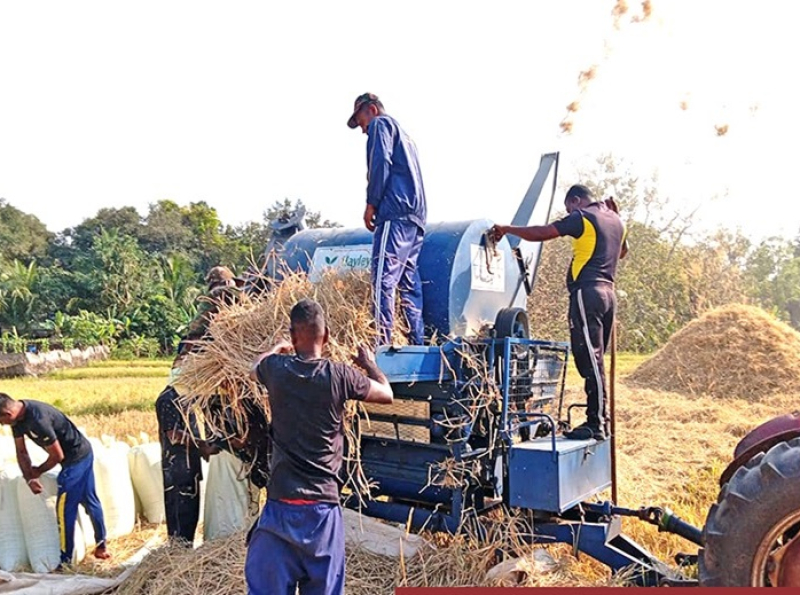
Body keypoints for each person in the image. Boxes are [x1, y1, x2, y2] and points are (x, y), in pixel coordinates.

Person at [244, 298, 393, 595]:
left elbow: (253, 368)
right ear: (325, 337)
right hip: (322, 514)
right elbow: (386, 394)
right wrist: (370, 365)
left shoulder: (276, 369)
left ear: (293, 334)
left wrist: (277, 348)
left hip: (280, 511)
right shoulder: (340, 375)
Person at [491, 184, 628, 441]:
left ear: (576, 201)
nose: (568, 214)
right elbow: (622, 252)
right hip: (609, 295)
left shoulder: (583, 217)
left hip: (587, 293)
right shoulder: (616, 219)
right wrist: (618, 216)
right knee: (595, 360)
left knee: (589, 360)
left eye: (568, 208)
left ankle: (595, 423)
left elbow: (544, 232)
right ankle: (601, 420)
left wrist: (508, 229)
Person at [347, 92, 427, 346]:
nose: (363, 130)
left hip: (395, 211)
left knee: (383, 277)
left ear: (371, 110)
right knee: (408, 282)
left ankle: (381, 341)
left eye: (361, 122)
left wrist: (371, 203)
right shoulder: (407, 138)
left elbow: (380, 162)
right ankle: (416, 340)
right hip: (416, 217)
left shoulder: (381, 125)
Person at [0, 393, 111, 567]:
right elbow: (21, 452)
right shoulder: (18, 421)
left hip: (76, 458)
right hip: (76, 455)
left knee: (64, 509)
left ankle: (65, 561)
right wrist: (30, 478)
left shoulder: (38, 420)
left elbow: (57, 455)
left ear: (7, 414)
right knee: (90, 500)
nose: (2, 425)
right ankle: (101, 547)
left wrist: (38, 471)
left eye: (1, 421)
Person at [182, 265, 241, 349]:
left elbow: (197, 325)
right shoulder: (238, 293)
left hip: (207, 340)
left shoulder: (214, 295)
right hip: (206, 339)